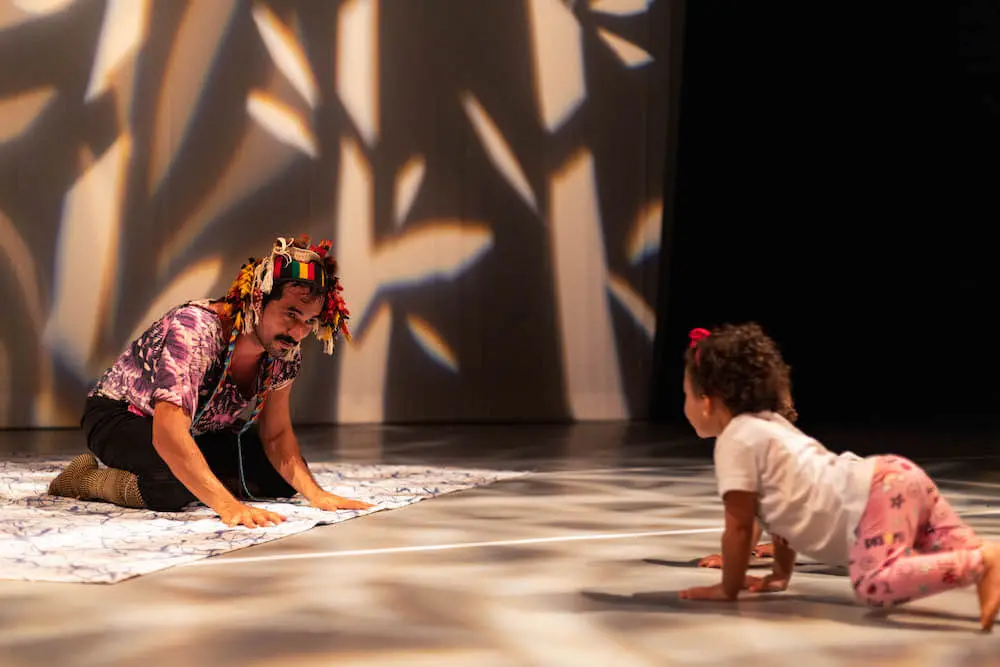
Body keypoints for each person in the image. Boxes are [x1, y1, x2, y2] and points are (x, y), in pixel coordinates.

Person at [675, 323, 999, 632]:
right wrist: (779, 575)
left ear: (707, 401)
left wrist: (728, 587)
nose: (685, 405)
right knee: (956, 546)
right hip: (892, 476)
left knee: (874, 585)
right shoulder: (770, 424)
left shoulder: (735, 440)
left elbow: (740, 527)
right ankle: (987, 557)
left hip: (872, 501)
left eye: (686, 395)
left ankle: (982, 561)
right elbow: (783, 511)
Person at [48, 235, 373, 530]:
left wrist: (317, 495)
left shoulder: (283, 349)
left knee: (278, 478)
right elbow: (168, 431)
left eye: (310, 321)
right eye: (291, 313)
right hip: (120, 416)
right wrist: (226, 505)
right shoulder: (196, 330)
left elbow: (275, 435)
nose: (299, 331)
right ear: (257, 300)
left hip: (196, 429)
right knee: (168, 484)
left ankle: (190, 475)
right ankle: (85, 478)